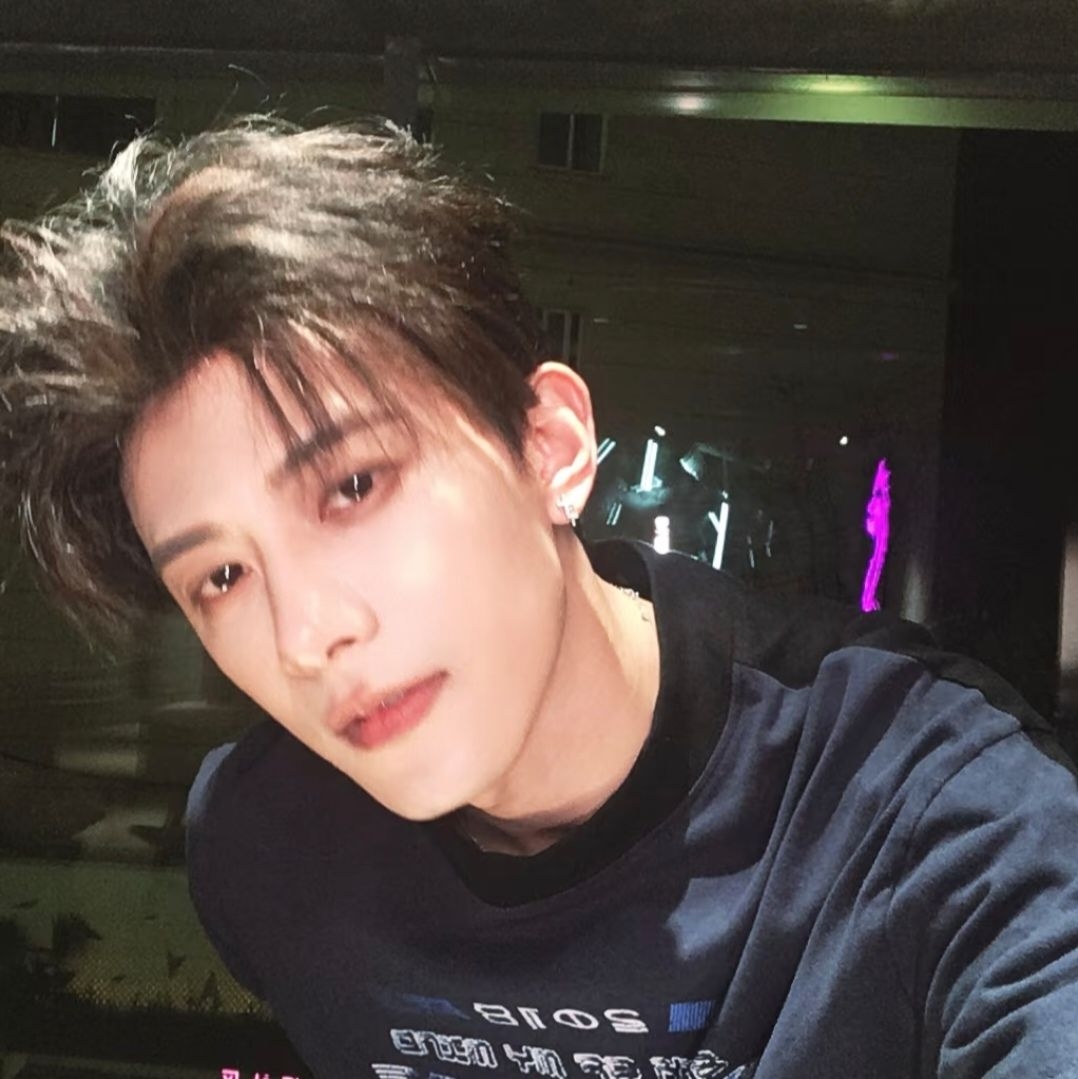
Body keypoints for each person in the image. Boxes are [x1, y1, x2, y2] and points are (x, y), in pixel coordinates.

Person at [2, 118, 1078, 1079]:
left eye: (354, 484)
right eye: (222, 576)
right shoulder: (266, 845)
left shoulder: (931, 812)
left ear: (549, 449)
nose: (306, 635)